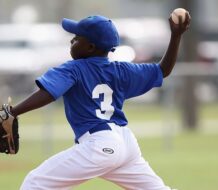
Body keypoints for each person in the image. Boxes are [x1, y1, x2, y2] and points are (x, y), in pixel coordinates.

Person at [11, 13, 190, 190]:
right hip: (126, 145)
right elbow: (163, 70)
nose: (71, 41)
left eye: (76, 38)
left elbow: (48, 92)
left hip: (100, 145)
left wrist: (13, 112)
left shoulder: (74, 68)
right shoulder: (121, 70)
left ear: (90, 47)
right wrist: (176, 35)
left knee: (35, 182)